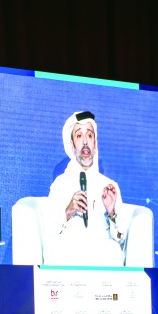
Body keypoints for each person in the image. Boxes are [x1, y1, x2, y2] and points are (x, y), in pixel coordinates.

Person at [41, 110, 131, 266]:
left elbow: (120, 238)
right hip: (68, 252)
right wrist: (68, 210)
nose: (85, 142)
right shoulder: (60, 184)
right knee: (53, 249)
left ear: (95, 144)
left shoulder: (109, 187)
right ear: (72, 145)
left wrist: (112, 212)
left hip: (100, 253)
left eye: (89, 135)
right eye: (79, 136)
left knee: (114, 251)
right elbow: (48, 232)